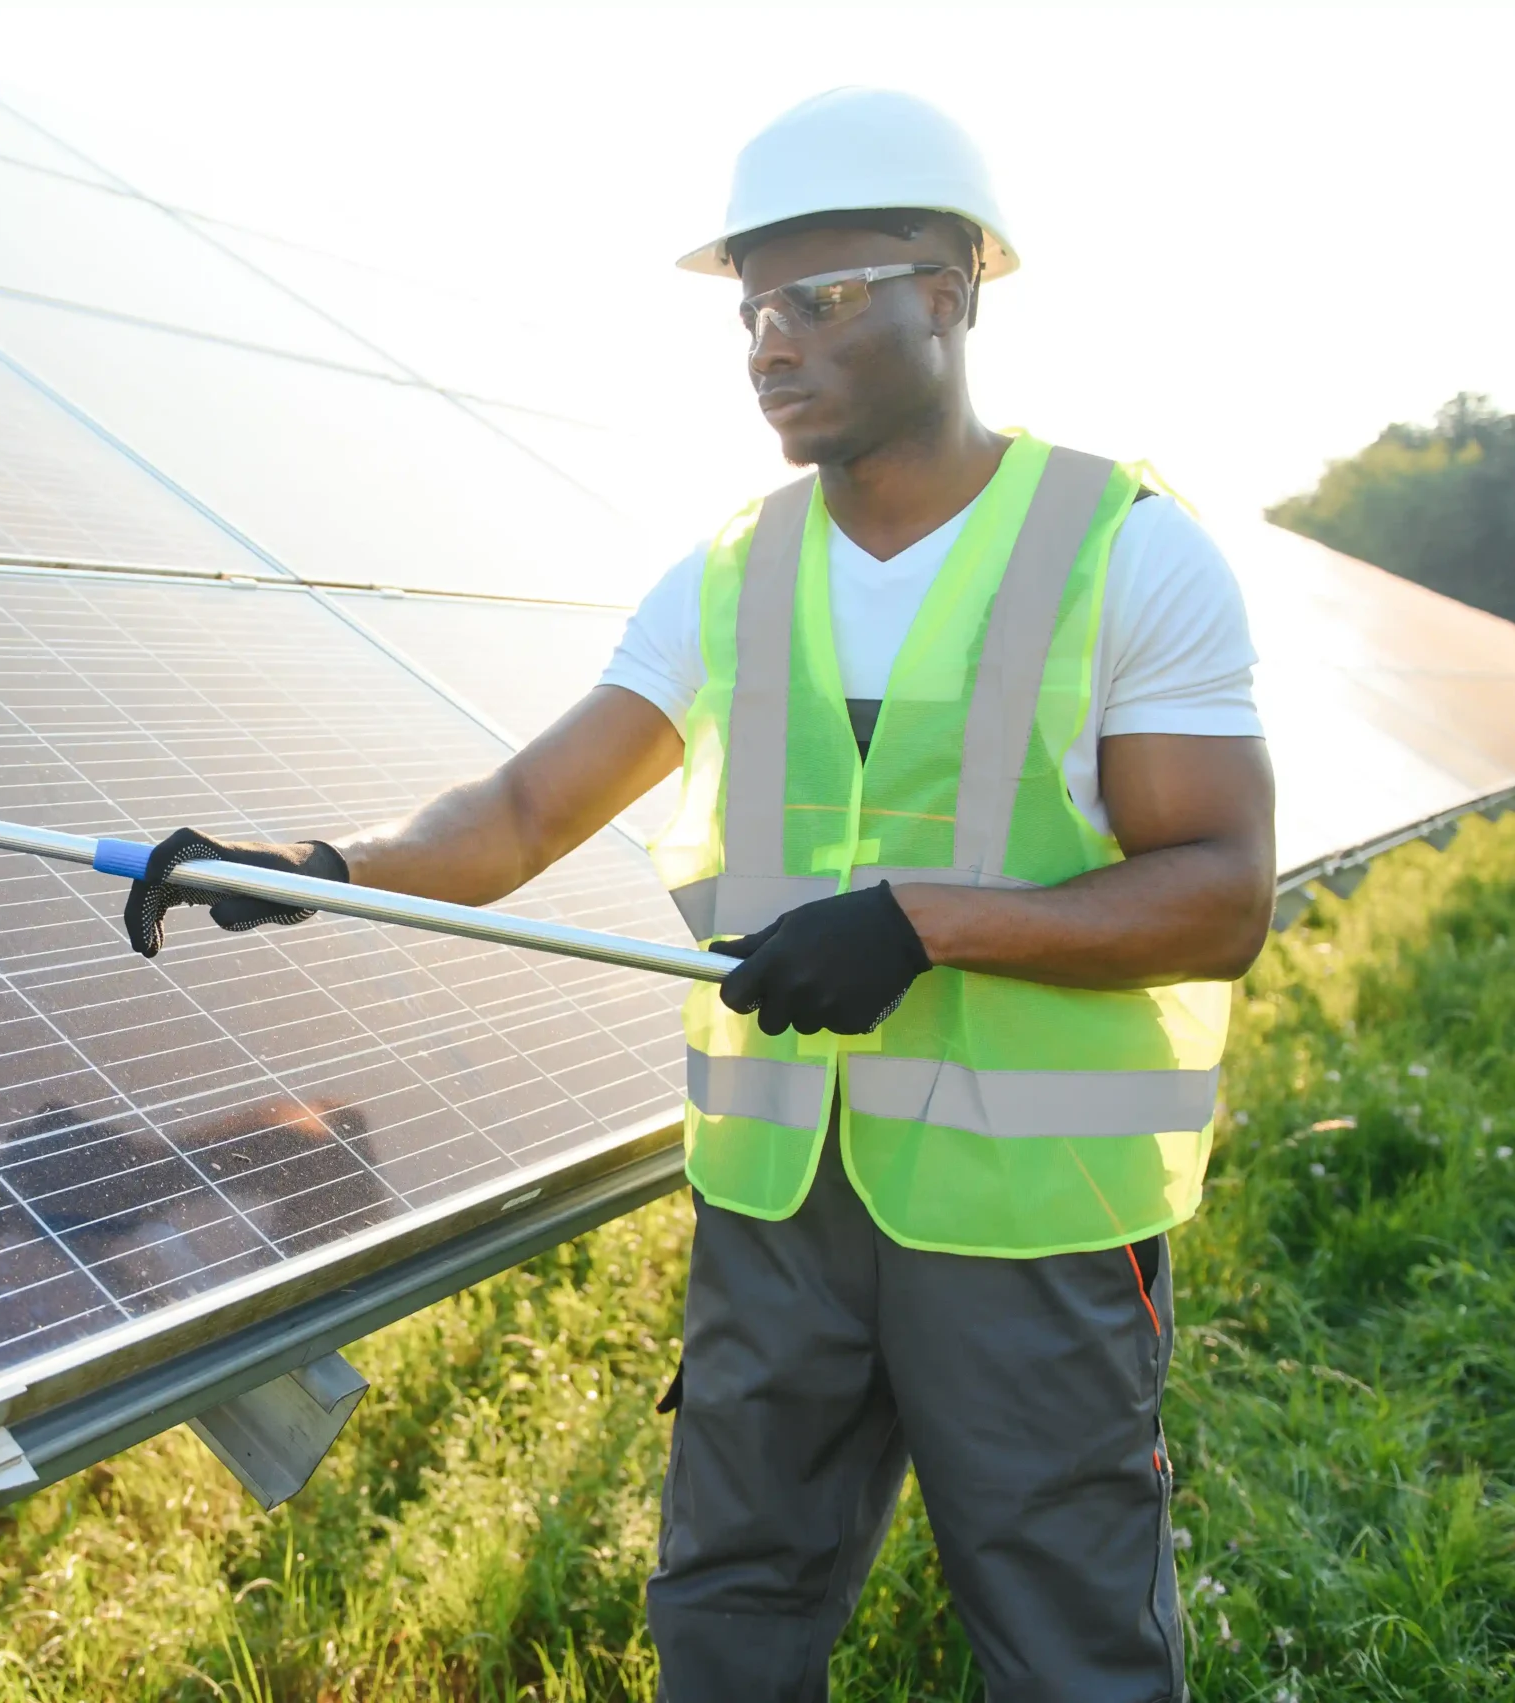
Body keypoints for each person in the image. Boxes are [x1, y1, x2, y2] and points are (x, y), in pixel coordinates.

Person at [118, 86, 1274, 1703]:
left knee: (1068, 1627)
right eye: (751, 310)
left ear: (948, 296)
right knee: (728, 1612)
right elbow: (523, 808)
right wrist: (321, 865)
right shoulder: (732, 573)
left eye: (818, 298)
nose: (767, 344)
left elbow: (1219, 893)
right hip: (775, 1203)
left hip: (1030, 1220)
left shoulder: (1126, 553)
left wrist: (924, 919)